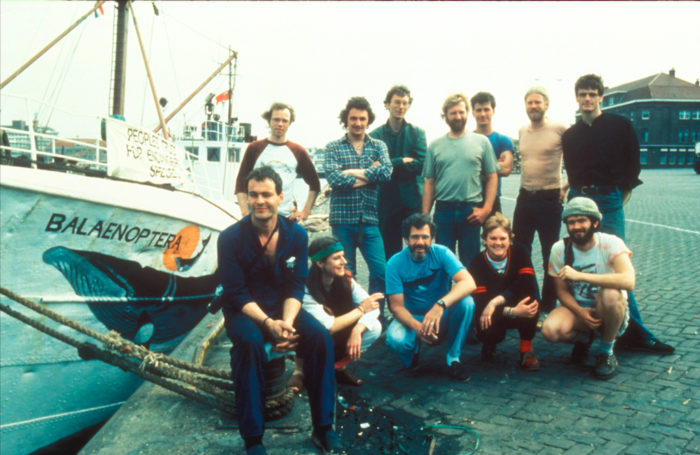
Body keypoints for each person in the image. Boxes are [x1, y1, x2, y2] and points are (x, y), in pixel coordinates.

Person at [218, 166, 338, 454]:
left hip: (282, 307)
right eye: (254, 195)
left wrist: (285, 323)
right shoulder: (229, 238)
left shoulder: (296, 235)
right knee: (248, 344)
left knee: (320, 338)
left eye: (267, 195)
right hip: (244, 309)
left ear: (280, 197)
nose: (260, 201)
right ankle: (253, 439)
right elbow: (234, 292)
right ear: (247, 198)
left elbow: (295, 285)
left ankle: (323, 427)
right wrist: (268, 325)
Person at [561, 74, 674, 355]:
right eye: (582, 94)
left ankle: (636, 332)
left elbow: (632, 163)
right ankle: (587, 331)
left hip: (608, 198)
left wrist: (621, 193)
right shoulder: (570, 135)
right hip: (580, 197)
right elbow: (572, 170)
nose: (587, 99)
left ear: (600, 97)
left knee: (615, 262)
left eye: (592, 94)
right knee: (582, 259)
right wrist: (572, 194)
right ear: (577, 98)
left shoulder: (620, 126)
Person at [542, 197, 633, 380]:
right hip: (578, 308)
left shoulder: (611, 243)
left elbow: (629, 281)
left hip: (608, 309)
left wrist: (580, 275)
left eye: (582, 220)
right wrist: (581, 312)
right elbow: (561, 291)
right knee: (550, 330)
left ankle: (606, 352)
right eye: (571, 222)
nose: (576, 226)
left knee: (609, 295)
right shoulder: (560, 249)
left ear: (595, 222)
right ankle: (584, 339)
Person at [385, 213, 476, 380]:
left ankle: (453, 358)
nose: (420, 242)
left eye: (425, 237)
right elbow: (396, 307)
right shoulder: (394, 263)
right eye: (415, 237)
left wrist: (440, 305)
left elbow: (469, 282)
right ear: (406, 239)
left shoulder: (442, 253)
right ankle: (412, 352)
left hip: (439, 314)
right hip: (412, 315)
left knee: (467, 303)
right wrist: (417, 327)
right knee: (396, 339)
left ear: (432, 238)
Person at [324, 96, 393, 320]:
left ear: (368, 120)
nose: (358, 123)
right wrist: (369, 174)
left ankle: (376, 316)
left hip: (370, 220)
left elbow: (387, 173)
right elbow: (334, 179)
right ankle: (348, 317)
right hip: (342, 220)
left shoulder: (378, 146)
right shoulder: (333, 147)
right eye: (353, 118)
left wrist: (351, 172)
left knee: (381, 272)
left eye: (362, 119)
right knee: (345, 274)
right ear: (346, 119)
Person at [287, 236, 383, 391]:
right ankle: (300, 370)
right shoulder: (305, 287)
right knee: (314, 332)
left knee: (375, 327)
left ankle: (338, 367)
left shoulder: (346, 280)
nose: (344, 262)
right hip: (312, 337)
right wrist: (360, 310)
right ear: (320, 263)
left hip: (337, 328)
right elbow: (328, 326)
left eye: (343, 256)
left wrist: (357, 330)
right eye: (337, 258)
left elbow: (373, 305)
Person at [422, 93, 499, 267]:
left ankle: (472, 295)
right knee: (441, 263)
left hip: (471, 212)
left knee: (471, 263)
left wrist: (486, 209)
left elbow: (492, 176)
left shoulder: (482, 142)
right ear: (445, 116)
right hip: (443, 212)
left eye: (461, 112)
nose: (458, 117)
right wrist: (425, 216)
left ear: (467, 113)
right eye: (453, 113)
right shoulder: (435, 145)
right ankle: (444, 295)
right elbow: (429, 182)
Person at [511, 87, 568, 314]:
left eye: (537, 102)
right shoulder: (523, 130)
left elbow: (576, 157)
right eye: (529, 103)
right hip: (525, 198)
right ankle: (525, 297)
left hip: (549, 198)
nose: (533, 106)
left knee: (549, 254)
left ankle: (548, 302)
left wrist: (566, 186)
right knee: (519, 251)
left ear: (546, 104)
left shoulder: (560, 129)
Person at [468, 213, 540, 370]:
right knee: (487, 325)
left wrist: (497, 301)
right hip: (493, 311)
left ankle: (526, 348)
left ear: (510, 239)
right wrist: (512, 311)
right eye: (493, 238)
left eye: (503, 238)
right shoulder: (476, 264)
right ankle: (489, 343)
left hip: (510, 303)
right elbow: (481, 303)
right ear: (485, 240)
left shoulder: (520, 252)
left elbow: (526, 284)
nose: (498, 243)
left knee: (532, 298)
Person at [235, 102, 320, 221]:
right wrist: (244, 211)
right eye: (276, 120)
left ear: (289, 123)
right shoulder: (254, 148)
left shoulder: (298, 151)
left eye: (284, 121)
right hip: (257, 218)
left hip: (286, 218)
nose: (280, 124)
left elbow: (315, 184)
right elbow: (240, 183)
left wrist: (305, 211)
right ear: (269, 121)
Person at [370, 85, 427, 260]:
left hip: (412, 202)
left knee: (418, 248)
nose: (400, 106)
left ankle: (417, 285)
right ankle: (394, 287)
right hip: (387, 203)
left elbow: (421, 165)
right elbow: (375, 169)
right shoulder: (375, 135)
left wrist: (388, 167)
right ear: (387, 104)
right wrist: (401, 161)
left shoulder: (417, 133)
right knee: (390, 253)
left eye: (404, 103)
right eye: (396, 102)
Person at [470, 92, 514, 215]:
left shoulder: (503, 140)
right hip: (469, 199)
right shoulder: (467, 140)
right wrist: (494, 165)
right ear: (472, 112)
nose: (483, 114)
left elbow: (505, 169)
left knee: (495, 234)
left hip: (493, 199)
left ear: (493, 111)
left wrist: (476, 168)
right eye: (478, 110)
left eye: (486, 109)